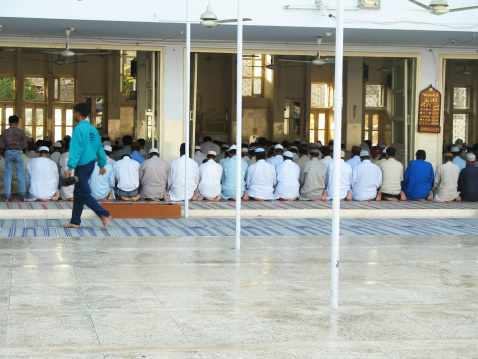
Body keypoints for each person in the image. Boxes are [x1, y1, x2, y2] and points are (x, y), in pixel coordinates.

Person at [62, 103, 111, 231]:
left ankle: (104, 214)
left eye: (74, 113)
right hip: (90, 165)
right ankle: (75, 221)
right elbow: (99, 148)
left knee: (84, 194)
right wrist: (101, 164)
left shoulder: (78, 129)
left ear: (78, 113)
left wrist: (70, 167)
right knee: (78, 193)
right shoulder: (93, 129)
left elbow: (76, 149)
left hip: (82, 166)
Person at [0, 115, 28, 202]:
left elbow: (1, 145)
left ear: (9, 122)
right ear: (18, 123)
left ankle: (7, 197)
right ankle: (23, 196)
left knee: (8, 175)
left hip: (8, 152)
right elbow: (24, 145)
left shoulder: (4, 132)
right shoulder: (21, 132)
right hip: (19, 152)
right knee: (20, 174)